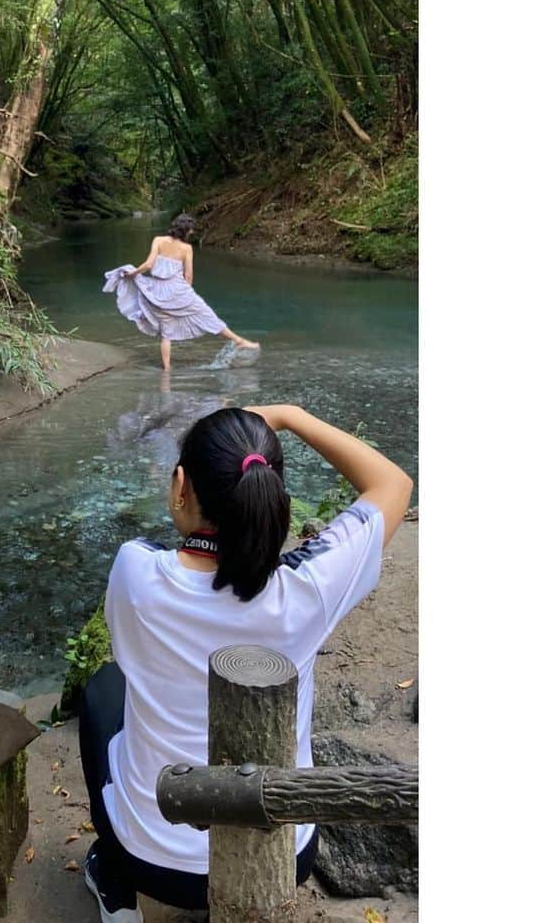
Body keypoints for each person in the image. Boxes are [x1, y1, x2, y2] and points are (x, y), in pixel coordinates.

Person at [78, 405, 412, 922]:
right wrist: (292, 416)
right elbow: (392, 483)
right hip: (286, 854)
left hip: (153, 859)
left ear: (179, 487)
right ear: (273, 494)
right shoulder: (309, 589)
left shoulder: (135, 573)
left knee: (102, 691)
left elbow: (172, 587)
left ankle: (115, 883)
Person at [103, 215, 259, 370]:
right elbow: (188, 275)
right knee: (208, 315)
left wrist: (133, 273)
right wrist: (188, 294)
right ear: (185, 230)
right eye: (190, 230)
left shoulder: (158, 240)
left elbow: (149, 265)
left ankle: (167, 368)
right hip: (178, 290)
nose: (191, 233)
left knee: (166, 333)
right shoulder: (187, 248)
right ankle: (238, 340)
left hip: (156, 293)